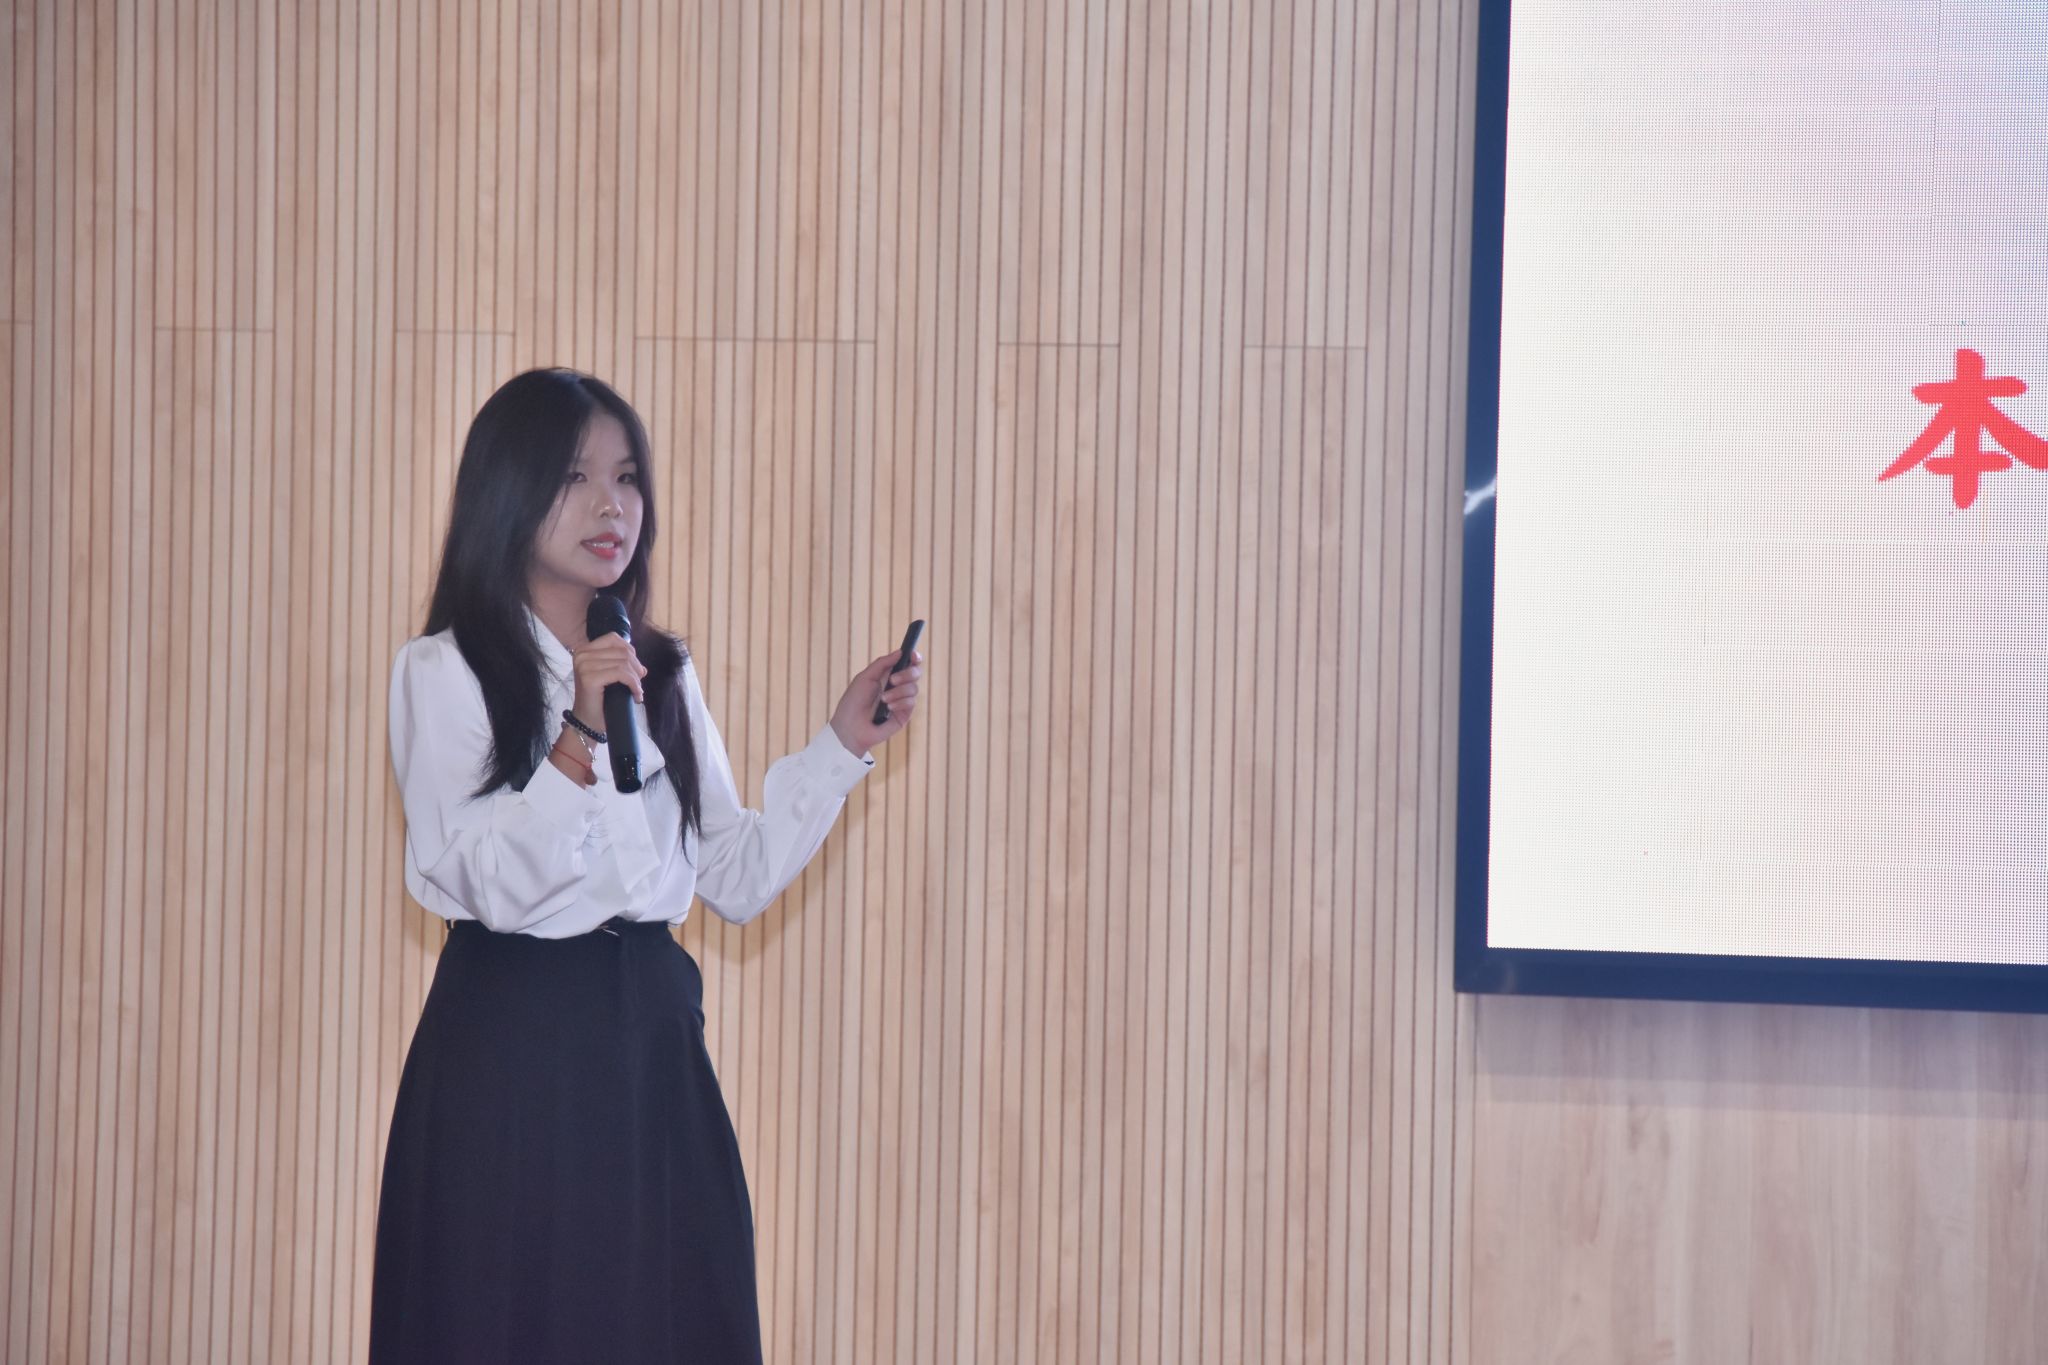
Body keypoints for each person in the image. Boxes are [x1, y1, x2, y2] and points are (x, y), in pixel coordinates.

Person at [368, 368, 923, 1363]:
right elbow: (479, 880)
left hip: (654, 1051)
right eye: (575, 476)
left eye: (626, 478)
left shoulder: (660, 671)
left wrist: (842, 744)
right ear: (508, 487)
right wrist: (579, 736)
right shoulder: (444, 670)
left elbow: (736, 877)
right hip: (513, 1048)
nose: (610, 505)